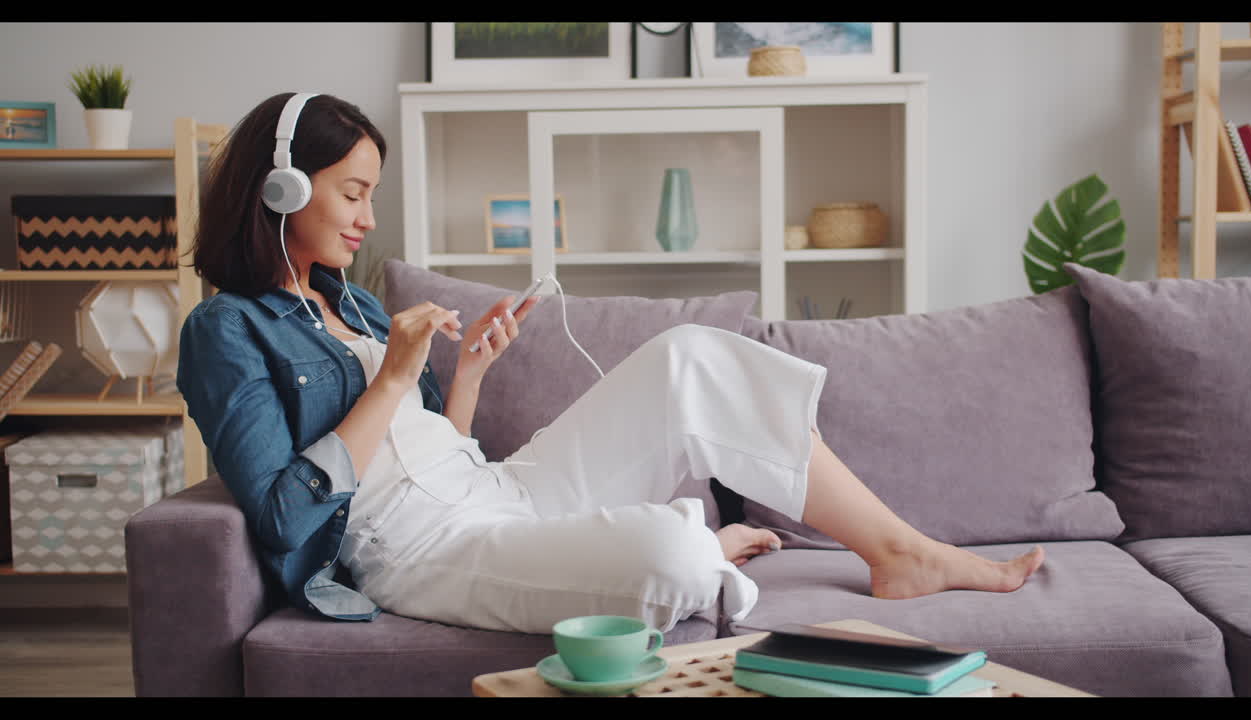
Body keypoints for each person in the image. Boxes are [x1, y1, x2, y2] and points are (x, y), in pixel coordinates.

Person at [177, 92, 1045, 633]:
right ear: (280, 188)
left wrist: (466, 375)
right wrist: (397, 376)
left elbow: (436, 447)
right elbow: (287, 518)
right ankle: (699, 549)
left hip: (497, 491)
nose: (367, 219)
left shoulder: (354, 302)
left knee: (691, 357)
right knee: (668, 554)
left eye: (372, 196)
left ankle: (898, 551)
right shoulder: (225, 332)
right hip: (419, 547)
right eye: (353, 193)